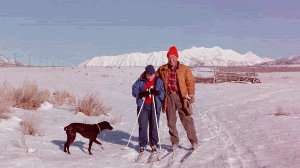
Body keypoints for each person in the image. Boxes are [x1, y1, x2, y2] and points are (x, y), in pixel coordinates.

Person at [157, 45, 198, 151]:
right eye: (169, 57)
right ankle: (174, 142)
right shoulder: (163, 69)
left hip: (182, 97)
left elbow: (190, 82)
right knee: (171, 121)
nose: (172, 59)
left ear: (177, 57)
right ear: (167, 58)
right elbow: (153, 76)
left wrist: (191, 94)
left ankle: (193, 141)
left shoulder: (184, 69)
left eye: (173, 57)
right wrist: (143, 76)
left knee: (187, 120)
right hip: (169, 97)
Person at [132, 65, 165, 153]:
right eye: (148, 75)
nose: (150, 77)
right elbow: (134, 90)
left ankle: (153, 144)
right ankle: (142, 144)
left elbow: (163, 94)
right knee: (143, 125)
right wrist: (141, 94)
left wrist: (157, 93)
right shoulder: (141, 80)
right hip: (143, 106)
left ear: (154, 73)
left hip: (155, 105)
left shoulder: (158, 81)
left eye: (152, 74)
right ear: (145, 74)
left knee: (154, 125)